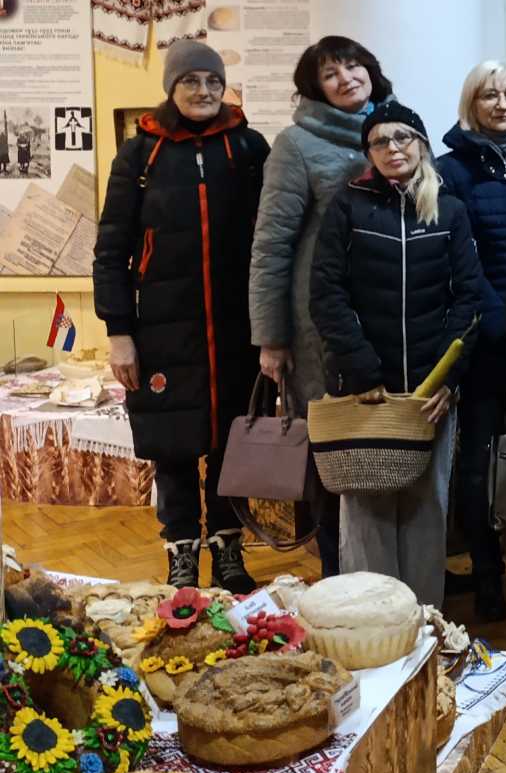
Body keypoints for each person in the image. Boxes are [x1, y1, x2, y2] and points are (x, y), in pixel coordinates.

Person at [93, 41, 270, 590]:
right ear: (171, 87)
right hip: (162, 329)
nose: (204, 91)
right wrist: (119, 333)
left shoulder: (248, 147)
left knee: (230, 441)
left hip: (238, 327)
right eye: (191, 80)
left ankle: (229, 549)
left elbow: (274, 239)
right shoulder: (139, 155)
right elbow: (111, 251)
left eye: (213, 81)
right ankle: (182, 553)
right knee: (172, 444)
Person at [309, 100, 481, 608]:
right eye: (380, 141)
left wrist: (445, 379)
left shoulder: (449, 209)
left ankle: (423, 622)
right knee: (367, 514)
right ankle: (372, 622)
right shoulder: (348, 206)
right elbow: (326, 295)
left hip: (428, 395)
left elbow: (469, 299)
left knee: (428, 509)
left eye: (402, 137)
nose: (392, 148)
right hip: (366, 392)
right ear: (369, 152)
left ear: (421, 144)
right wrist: (361, 370)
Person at [250, 35, 394, 576]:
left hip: (391, 316)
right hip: (321, 327)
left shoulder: (396, 128)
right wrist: (271, 337)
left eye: (353, 66)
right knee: (333, 452)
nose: (346, 78)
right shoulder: (296, 144)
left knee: (391, 440)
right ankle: (337, 572)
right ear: (315, 88)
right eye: (330, 73)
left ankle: (392, 562)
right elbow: (271, 245)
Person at [435, 60, 506, 621]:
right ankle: (487, 574)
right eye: (489, 95)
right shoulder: (449, 170)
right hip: (484, 337)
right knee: (479, 461)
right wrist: (497, 316)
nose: (502, 104)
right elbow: (457, 256)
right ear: (472, 104)